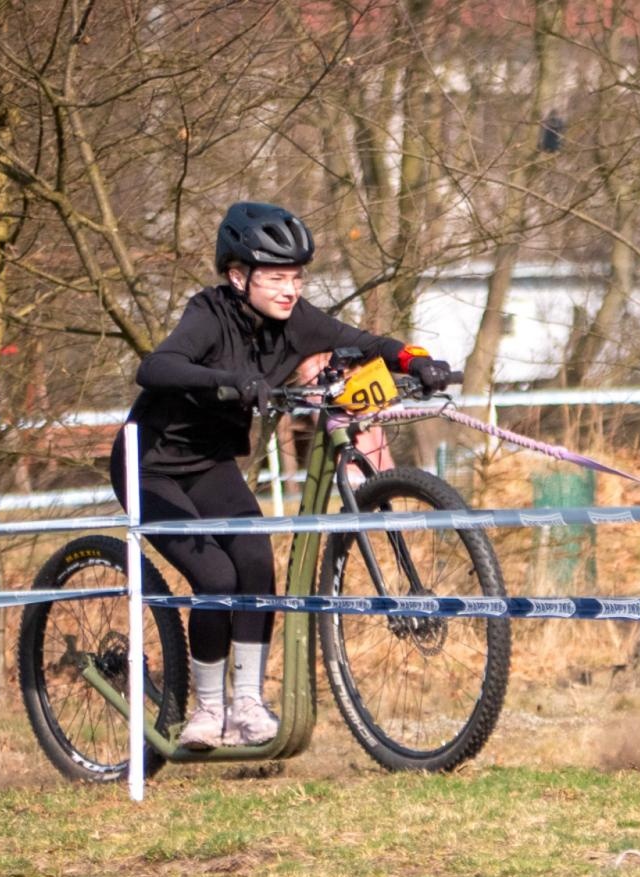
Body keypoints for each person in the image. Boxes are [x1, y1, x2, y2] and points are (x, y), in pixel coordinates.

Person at [110, 202, 453, 748]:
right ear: (238, 276)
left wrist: (415, 360)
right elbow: (154, 367)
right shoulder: (208, 314)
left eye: (296, 278)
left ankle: (247, 703)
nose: (290, 290)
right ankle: (207, 711)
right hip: (149, 467)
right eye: (276, 278)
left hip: (209, 465)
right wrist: (227, 380)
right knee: (216, 578)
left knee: (254, 562)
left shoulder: (297, 322)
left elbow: (368, 341)